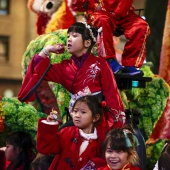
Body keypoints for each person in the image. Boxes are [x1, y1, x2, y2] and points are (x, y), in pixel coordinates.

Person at [18, 22, 125, 128]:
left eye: (74, 36)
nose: (69, 39)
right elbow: (37, 70)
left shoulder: (101, 64)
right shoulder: (64, 67)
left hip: (99, 120)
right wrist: (47, 50)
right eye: (68, 36)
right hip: (76, 120)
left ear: (87, 43)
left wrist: (115, 124)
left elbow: (112, 94)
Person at [71, 0, 150, 76]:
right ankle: (109, 60)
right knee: (103, 20)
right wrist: (95, 6)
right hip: (101, 12)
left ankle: (130, 65)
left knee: (141, 26)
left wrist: (120, 11)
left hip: (124, 14)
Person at [36, 95, 114, 169]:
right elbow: (46, 148)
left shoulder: (102, 141)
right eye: (75, 111)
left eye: (83, 112)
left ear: (95, 118)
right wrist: (50, 125)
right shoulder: (66, 132)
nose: (77, 115)